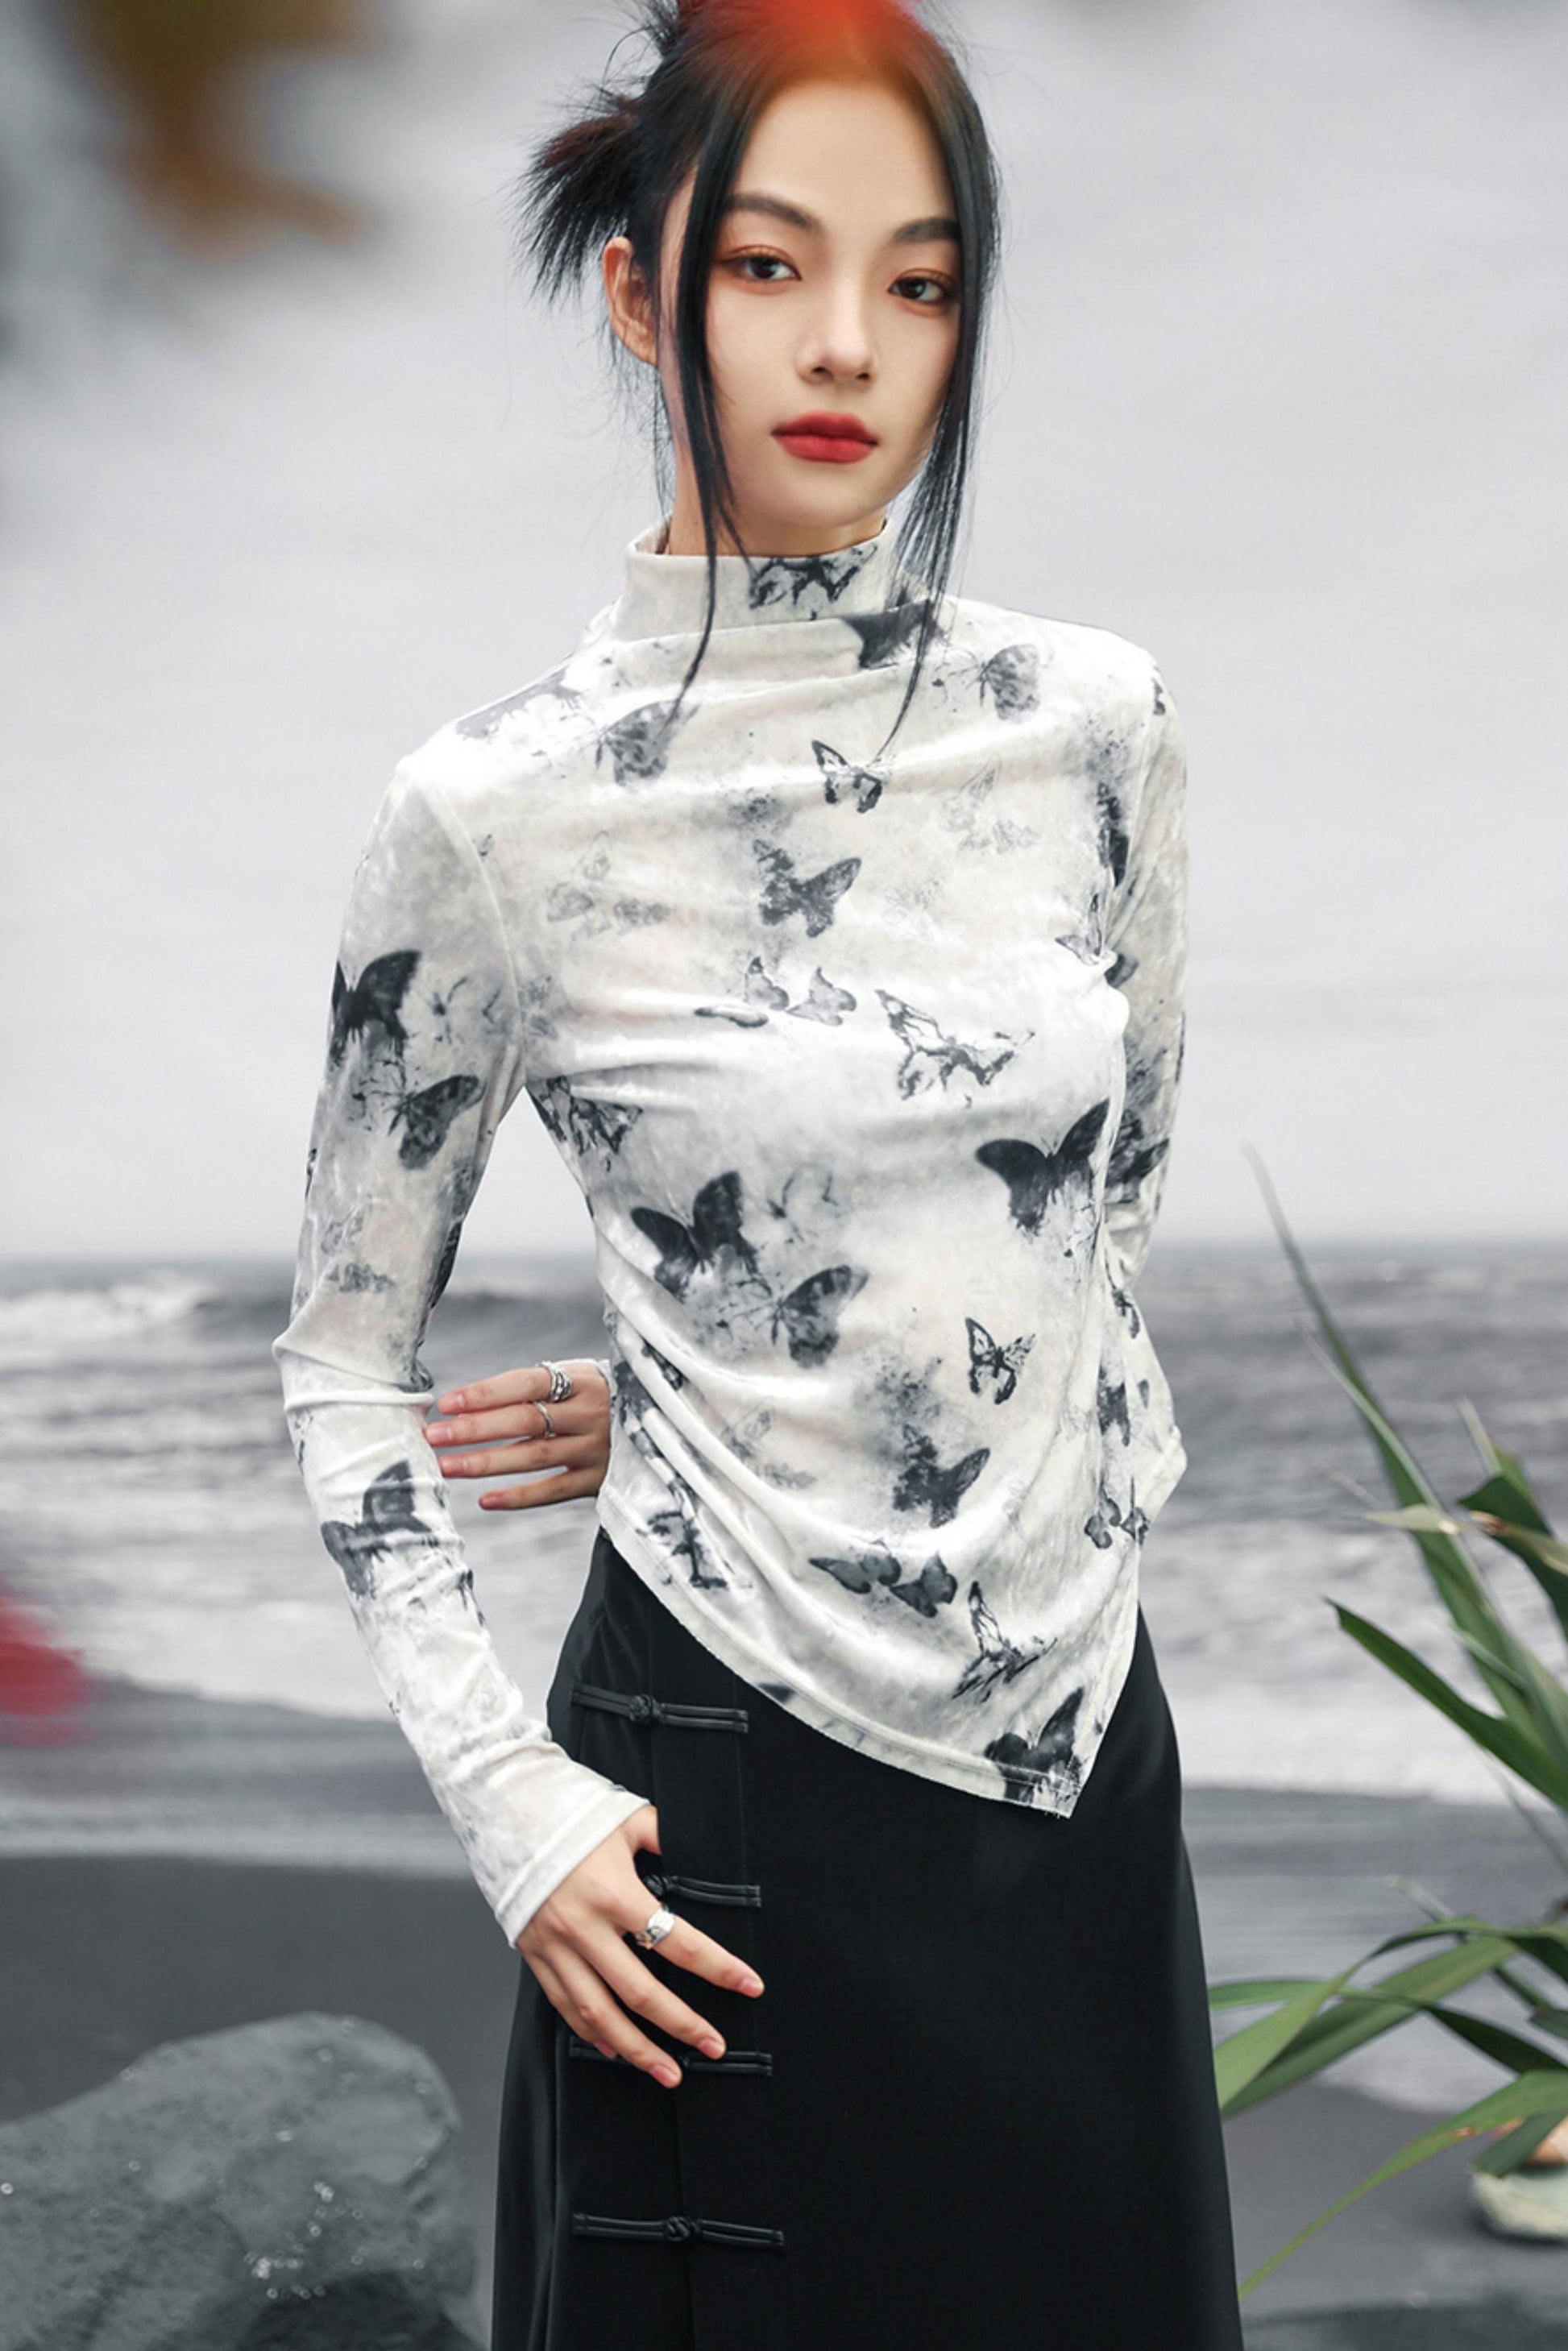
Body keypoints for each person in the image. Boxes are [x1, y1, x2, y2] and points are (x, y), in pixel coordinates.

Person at [272, 0, 1245, 2341]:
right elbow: (341, 1362)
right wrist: (514, 1811)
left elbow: (1086, 1224)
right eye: (769, 266)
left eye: (919, 281)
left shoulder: (1096, 728)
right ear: (643, 292)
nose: (845, 347)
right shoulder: (493, 813)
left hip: (1079, 1764)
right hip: (708, 1818)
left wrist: (726, 1368)